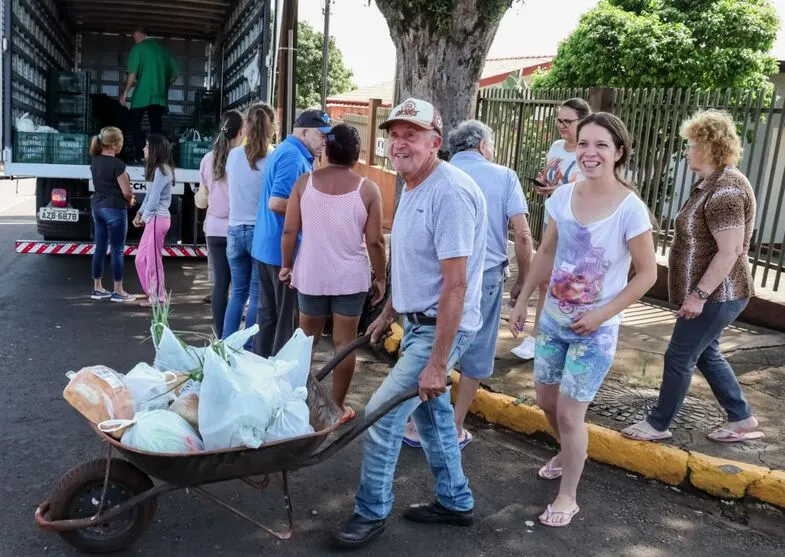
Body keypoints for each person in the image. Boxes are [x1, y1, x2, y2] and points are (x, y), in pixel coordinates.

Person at [333, 98, 487, 548]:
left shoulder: (450, 193)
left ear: (435, 142)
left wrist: (438, 364)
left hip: (444, 326)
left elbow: (455, 286)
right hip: (419, 321)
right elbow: (418, 265)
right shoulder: (413, 184)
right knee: (437, 420)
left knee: (380, 417)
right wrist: (389, 310)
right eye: (395, 135)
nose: (400, 143)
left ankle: (370, 511)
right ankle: (456, 502)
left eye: (412, 135)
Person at [508, 112, 657, 527]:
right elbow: (547, 252)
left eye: (601, 146)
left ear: (619, 153)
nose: (590, 153)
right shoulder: (563, 197)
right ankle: (568, 450)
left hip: (596, 331)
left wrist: (602, 314)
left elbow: (647, 274)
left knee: (572, 415)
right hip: (554, 322)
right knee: (545, 402)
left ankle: (568, 496)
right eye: (585, 144)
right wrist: (521, 301)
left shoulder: (630, 209)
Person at [622, 110, 763, 444]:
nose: (686, 151)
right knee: (706, 352)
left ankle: (658, 423)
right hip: (717, 293)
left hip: (719, 294)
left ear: (708, 146)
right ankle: (741, 417)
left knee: (679, 356)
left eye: (690, 144)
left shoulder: (726, 190)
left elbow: (729, 252)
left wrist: (698, 295)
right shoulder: (711, 185)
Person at [402, 119, 533, 449]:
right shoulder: (504, 176)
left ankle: (417, 426)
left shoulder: (436, 173)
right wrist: (523, 280)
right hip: (485, 277)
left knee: (432, 348)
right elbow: (522, 234)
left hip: (436, 276)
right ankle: (455, 426)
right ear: (483, 146)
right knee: (475, 354)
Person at [280, 123, 386, 422]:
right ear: (357, 155)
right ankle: (337, 407)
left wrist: (287, 264)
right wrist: (380, 277)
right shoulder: (368, 189)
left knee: (306, 342)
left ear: (325, 151)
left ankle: (297, 403)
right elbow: (375, 241)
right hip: (350, 279)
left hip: (311, 274)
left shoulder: (304, 183)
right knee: (344, 343)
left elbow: (290, 230)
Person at [512, 98, 592, 360]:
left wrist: (557, 190)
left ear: (583, 121)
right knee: (545, 279)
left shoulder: (589, 151)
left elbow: (588, 189)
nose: (562, 125)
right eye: (559, 120)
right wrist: (544, 184)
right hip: (552, 220)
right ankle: (538, 337)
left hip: (578, 228)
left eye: (567, 121)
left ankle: (560, 338)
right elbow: (552, 176)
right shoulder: (557, 147)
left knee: (571, 285)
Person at [252, 109, 331, 357]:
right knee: (284, 323)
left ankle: (260, 369)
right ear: (304, 131)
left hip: (268, 248)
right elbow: (276, 202)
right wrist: (315, 210)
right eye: (321, 135)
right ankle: (277, 378)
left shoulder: (290, 151)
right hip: (281, 252)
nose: (325, 142)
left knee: (269, 318)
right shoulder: (292, 157)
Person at [222, 103, 275, 344]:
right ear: (270, 127)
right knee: (255, 296)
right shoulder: (272, 158)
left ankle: (226, 344)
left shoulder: (232, 156)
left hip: (233, 230)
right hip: (258, 232)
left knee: (237, 293)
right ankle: (248, 347)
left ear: (247, 126)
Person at [198, 110, 244, 337]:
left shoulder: (208, 158)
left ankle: (218, 333)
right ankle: (233, 336)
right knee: (240, 288)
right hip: (237, 228)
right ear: (241, 131)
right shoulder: (243, 159)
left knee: (220, 286)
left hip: (214, 229)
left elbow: (203, 194)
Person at [88, 126, 137, 303]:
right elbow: (126, 191)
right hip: (115, 208)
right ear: (115, 144)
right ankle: (118, 291)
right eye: (121, 142)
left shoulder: (95, 162)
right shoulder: (118, 165)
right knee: (117, 250)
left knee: (99, 248)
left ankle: (97, 287)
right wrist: (131, 199)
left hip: (97, 207)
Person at [120, 26, 179, 163]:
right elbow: (175, 74)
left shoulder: (138, 48)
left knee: (133, 121)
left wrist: (125, 92)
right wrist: (164, 86)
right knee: (156, 127)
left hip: (143, 94)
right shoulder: (164, 51)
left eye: (135, 38)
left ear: (140, 35)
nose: (135, 42)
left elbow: (132, 73)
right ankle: (157, 157)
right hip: (160, 95)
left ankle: (141, 154)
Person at [133, 134, 174, 306]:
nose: (144, 149)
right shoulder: (158, 170)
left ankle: (158, 298)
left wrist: (144, 217)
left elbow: (154, 199)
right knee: (140, 259)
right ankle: (153, 293)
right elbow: (150, 197)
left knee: (153, 260)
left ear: (156, 149)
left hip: (158, 219)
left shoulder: (162, 171)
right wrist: (140, 214)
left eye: (147, 146)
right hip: (154, 219)